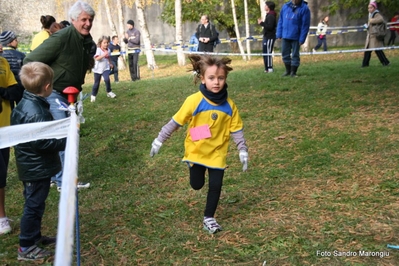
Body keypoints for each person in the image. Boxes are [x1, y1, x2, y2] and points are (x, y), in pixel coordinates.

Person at [150, 54, 249, 234]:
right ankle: (193, 166)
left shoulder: (229, 106)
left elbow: (236, 129)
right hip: (196, 150)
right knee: (197, 184)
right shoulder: (194, 101)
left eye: (220, 78)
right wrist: (159, 140)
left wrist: (242, 150)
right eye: (211, 78)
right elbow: (176, 122)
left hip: (217, 153)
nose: (216, 82)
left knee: (216, 185)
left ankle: (209, 217)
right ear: (202, 79)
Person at [24, 0, 94, 192]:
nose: (88, 23)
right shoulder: (62, 37)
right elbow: (30, 60)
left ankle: (58, 177)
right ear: (73, 20)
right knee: (64, 137)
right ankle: (65, 182)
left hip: (71, 95)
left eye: (90, 20)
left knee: (65, 136)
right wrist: (46, 84)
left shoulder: (86, 39)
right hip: (55, 94)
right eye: (84, 20)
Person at [11, 62, 66, 261]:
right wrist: (64, 139)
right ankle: (26, 246)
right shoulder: (36, 111)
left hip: (33, 166)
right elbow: (42, 143)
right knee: (33, 206)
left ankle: (34, 236)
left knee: (36, 203)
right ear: (47, 87)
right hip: (35, 168)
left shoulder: (29, 101)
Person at [0, 55, 20, 235]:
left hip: (4, 129)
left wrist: (2, 92)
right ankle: (1, 217)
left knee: (2, 174)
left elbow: (14, 90)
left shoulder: (3, 62)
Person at [276, 0, 311, 77]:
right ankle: (288, 70)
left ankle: (293, 72)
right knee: (284, 53)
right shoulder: (285, 6)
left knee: (295, 55)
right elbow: (281, 21)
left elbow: (305, 25)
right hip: (285, 35)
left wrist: (302, 39)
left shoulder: (304, 9)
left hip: (296, 36)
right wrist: (279, 33)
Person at [361, 1, 390, 67]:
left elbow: (381, 19)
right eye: (368, 8)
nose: (369, 9)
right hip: (371, 35)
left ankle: (386, 62)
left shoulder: (376, 14)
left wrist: (371, 21)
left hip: (375, 35)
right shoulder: (371, 15)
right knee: (368, 50)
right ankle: (365, 64)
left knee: (377, 50)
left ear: (374, 8)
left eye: (371, 8)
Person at [0, 31, 25, 100]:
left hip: (5, 89)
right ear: (9, 42)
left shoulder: (1, 57)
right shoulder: (20, 55)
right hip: (19, 87)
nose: (17, 42)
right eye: (15, 40)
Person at [90, 36, 116, 102]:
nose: (106, 44)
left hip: (106, 68)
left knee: (107, 79)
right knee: (96, 83)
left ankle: (109, 92)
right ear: (100, 43)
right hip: (97, 69)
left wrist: (110, 63)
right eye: (104, 43)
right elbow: (97, 58)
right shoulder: (98, 50)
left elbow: (108, 57)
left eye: (107, 43)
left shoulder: (108, 50)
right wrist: (104, 54)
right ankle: (93, 95)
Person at [257, 1, 277, 73]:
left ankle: (270, 68)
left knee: (268, 52)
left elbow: (270, 27)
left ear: (268, 7)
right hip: (266, 37)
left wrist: (262, 23)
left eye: (265, 5)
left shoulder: (271, 16)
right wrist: (262, 23)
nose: (264, 7)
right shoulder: (268, 15)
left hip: (270, 37)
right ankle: (266, 68)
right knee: (265, 53)